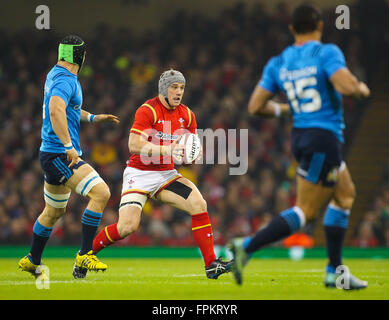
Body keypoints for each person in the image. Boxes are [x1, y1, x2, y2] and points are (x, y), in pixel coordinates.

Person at [229, 4, 370, 289]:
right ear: (320, 26)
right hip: (324, 138)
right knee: (306, 210)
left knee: (345, 194)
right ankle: (248, 246)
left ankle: (335, 271)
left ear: (292, 29)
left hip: (303, 137)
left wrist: (285, 109)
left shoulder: (278, 62)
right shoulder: (327, 52)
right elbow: (344, 86)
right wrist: (360, 88)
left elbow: (256, 106)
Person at [92, 69, 232, 279]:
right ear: (163, 89)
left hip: (166, 175)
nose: (178, 92)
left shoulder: (187, 115)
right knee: (127, 227)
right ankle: (85, 254)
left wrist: (194, 154)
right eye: (174, 87)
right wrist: (166, 150)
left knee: (199, 204)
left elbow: (189, 148)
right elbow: (133, 144)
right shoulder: (148, 110)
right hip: (139, 173)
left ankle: (211, 264)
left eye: (182, 88)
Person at [18, 35, 120, 279]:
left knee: (53, 212)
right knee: (101, 193)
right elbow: (55, 109)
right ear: (79, 56)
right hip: (59, 155)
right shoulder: (66, 80)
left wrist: (93, 118)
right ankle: (85, 254)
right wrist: (67, 145)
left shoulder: (57, 74)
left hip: (50, 153)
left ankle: (32, 259)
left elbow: (68, 108)